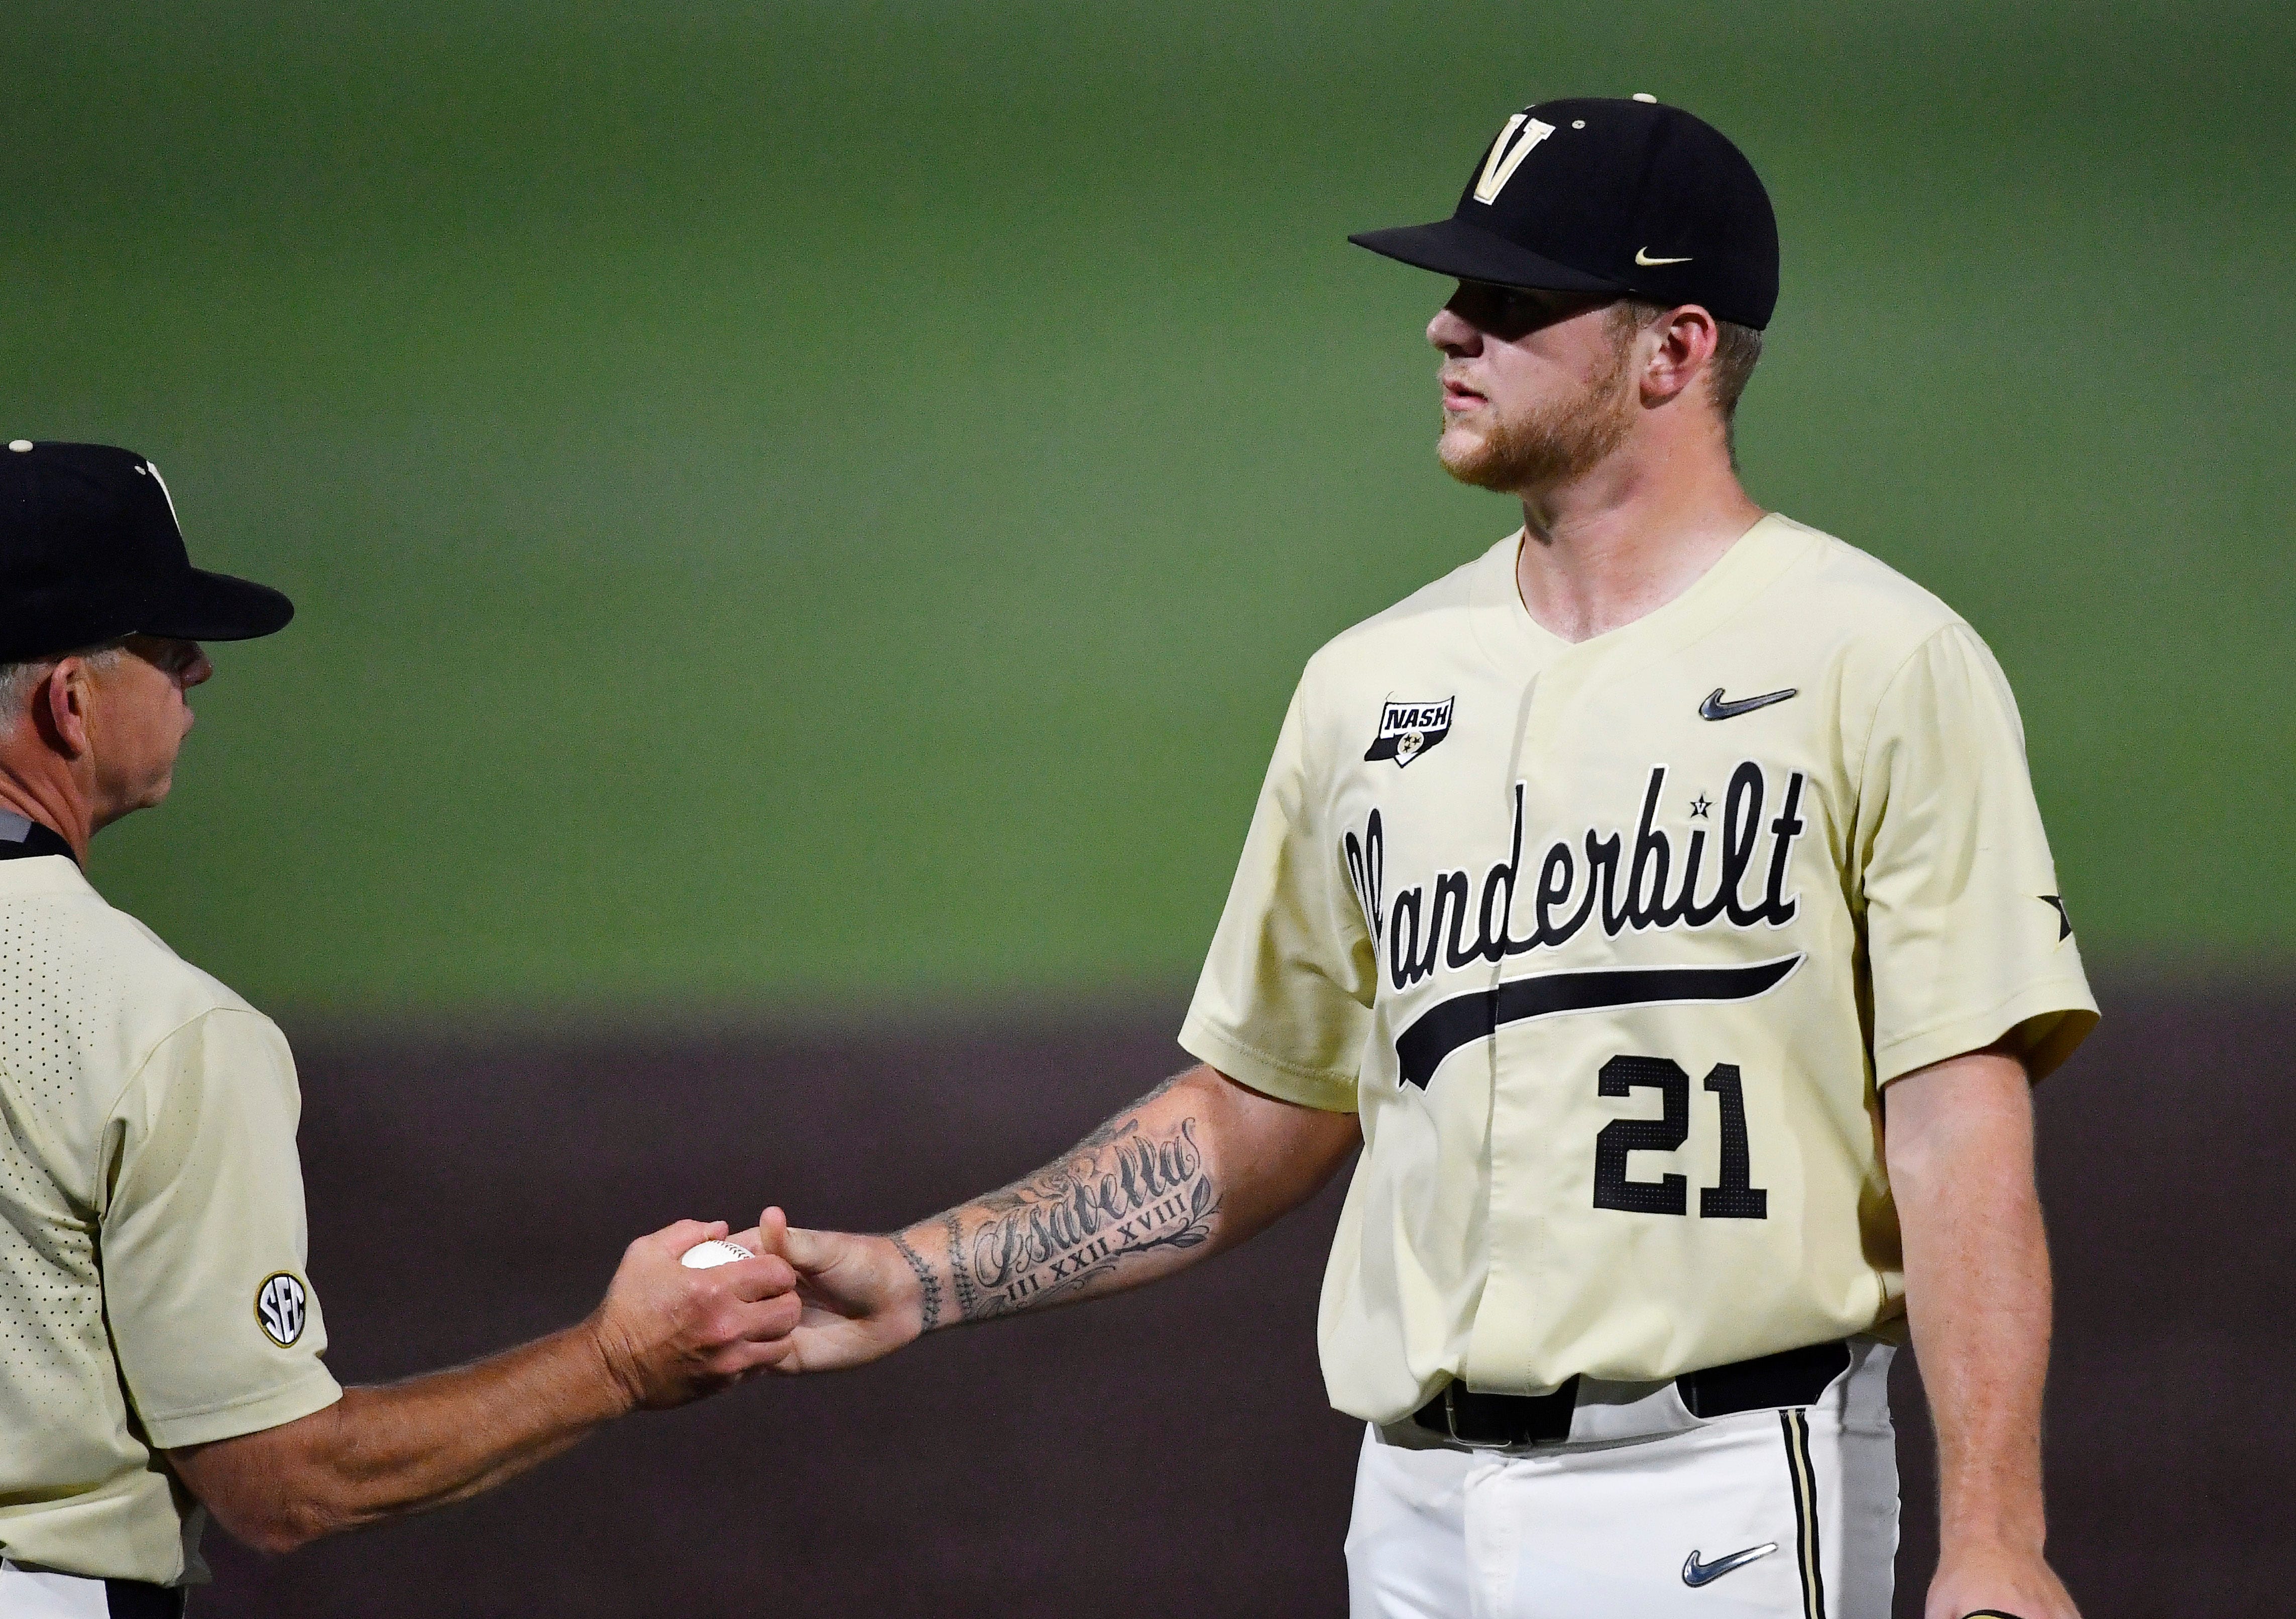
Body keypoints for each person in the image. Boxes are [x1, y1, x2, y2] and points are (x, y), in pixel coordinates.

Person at [746, 97, 2095, 1619]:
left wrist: (1995, 1530)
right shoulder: (1371, 685)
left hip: (1723, 1492)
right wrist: (926, 1279)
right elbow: (1263, 1105)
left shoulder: (1880, 661)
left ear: (1674, 349)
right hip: (1415, 1518)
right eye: (1456, 293)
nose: (1449, 330)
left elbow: (1953, 1125)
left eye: (1513, 301)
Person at [0, 441, 799, 1618]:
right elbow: (280, 1482)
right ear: (70, 702)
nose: (201, 674)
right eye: (169, 649)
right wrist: (616, 1358)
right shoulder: (157, 1029)